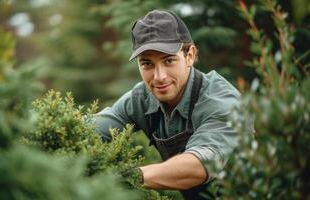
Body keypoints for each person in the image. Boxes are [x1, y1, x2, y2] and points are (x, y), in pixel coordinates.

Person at [94, 9, 240, 200]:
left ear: (190, 56)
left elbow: (201, 165)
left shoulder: (222, 101)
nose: (159, 76)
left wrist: (130, 176)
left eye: (169, 60)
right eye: (147, 64)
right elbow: (90, 130)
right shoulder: (141, 98)